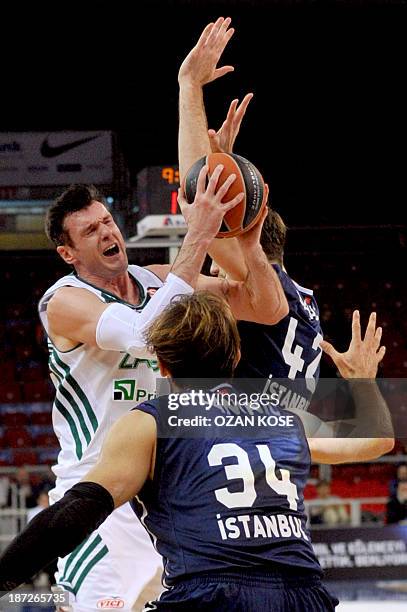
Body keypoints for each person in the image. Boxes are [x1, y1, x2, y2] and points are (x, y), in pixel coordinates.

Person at [0, 291, 393, 610]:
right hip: (304, 594)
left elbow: (75, 513)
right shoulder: (281, 416)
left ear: (162, 367)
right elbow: (376, 441)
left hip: (212, 593)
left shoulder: (151, 422)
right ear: (236, 357)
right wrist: (362, 383)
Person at [37, 169, 288, 610]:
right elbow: (143, 335)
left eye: (107, 221)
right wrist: (201, 231)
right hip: (101, 499)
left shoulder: (157, 279)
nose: (106, 232)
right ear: (67, 252)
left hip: (171, 497)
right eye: (90, 230)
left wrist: (246, 237)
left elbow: (267, 309)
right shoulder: (62, 302)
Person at [177, 17, 323, 409]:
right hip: (282, 446)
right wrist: (220, 158)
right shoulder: (303, 301)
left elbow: (199, 193)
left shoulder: (257, 279)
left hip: (248, 452)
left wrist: (189, 86)